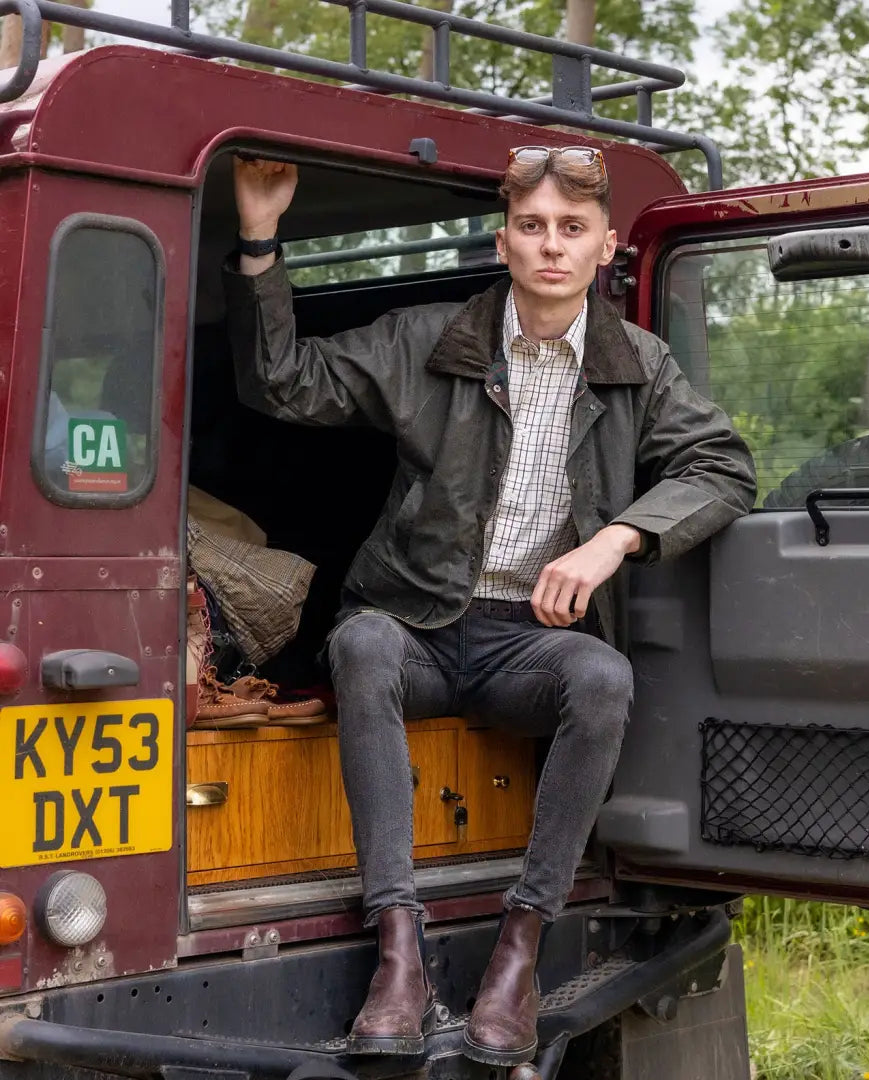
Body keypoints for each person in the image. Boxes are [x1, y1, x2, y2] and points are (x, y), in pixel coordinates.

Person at [224, 146, 756, 1066]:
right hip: (420, 626)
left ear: (604, 248)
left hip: (529, 648)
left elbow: (727, 468)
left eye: (572, 230)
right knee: (363, 650)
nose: (551, 246)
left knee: (603, 678)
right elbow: (285, 382)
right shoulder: (427, 339)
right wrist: (262, 238)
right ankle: (400, 950)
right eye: (533, 226)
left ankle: (520, 948)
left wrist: (612, 540)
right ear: (503, 241)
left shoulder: (639, 366)